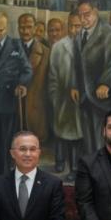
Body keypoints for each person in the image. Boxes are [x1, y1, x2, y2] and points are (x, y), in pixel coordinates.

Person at [0, 11, 33, 173]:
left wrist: (22, 84)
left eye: (1, 30)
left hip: (8, 100)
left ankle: (2, 173)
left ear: (7, 27)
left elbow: (27, 70)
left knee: (5, 142)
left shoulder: (16, 45)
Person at [71, 0, 111, 155]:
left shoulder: (108, 33)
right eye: (80, 15)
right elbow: (76, 64)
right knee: (88, 137)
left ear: (96, 12)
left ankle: (103, 167)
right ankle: (92, 165)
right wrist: (74, 85)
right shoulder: (79, 36)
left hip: (101, 97)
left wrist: (106, 83)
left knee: (101, 138)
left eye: (87, 14)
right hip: (84, 95)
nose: (83, 19)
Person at [48, 14, 83, 181]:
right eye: (71, 26)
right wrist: (54, 96)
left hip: (80, 98)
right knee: (60, 131)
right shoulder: (59, 47)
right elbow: (53, 74)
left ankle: (75, 167)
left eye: (78, 26)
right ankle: (60, 162)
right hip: (62, 97)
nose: (74, 30)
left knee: (77, 134)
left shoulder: (87, 45)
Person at [19, 13, 50, 142]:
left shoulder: (46, 52)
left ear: (35, 28)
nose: (25, 31)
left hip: (37, 107)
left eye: (29, 27)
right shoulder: (10, 48)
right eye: (22, 27)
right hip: (15, 107)